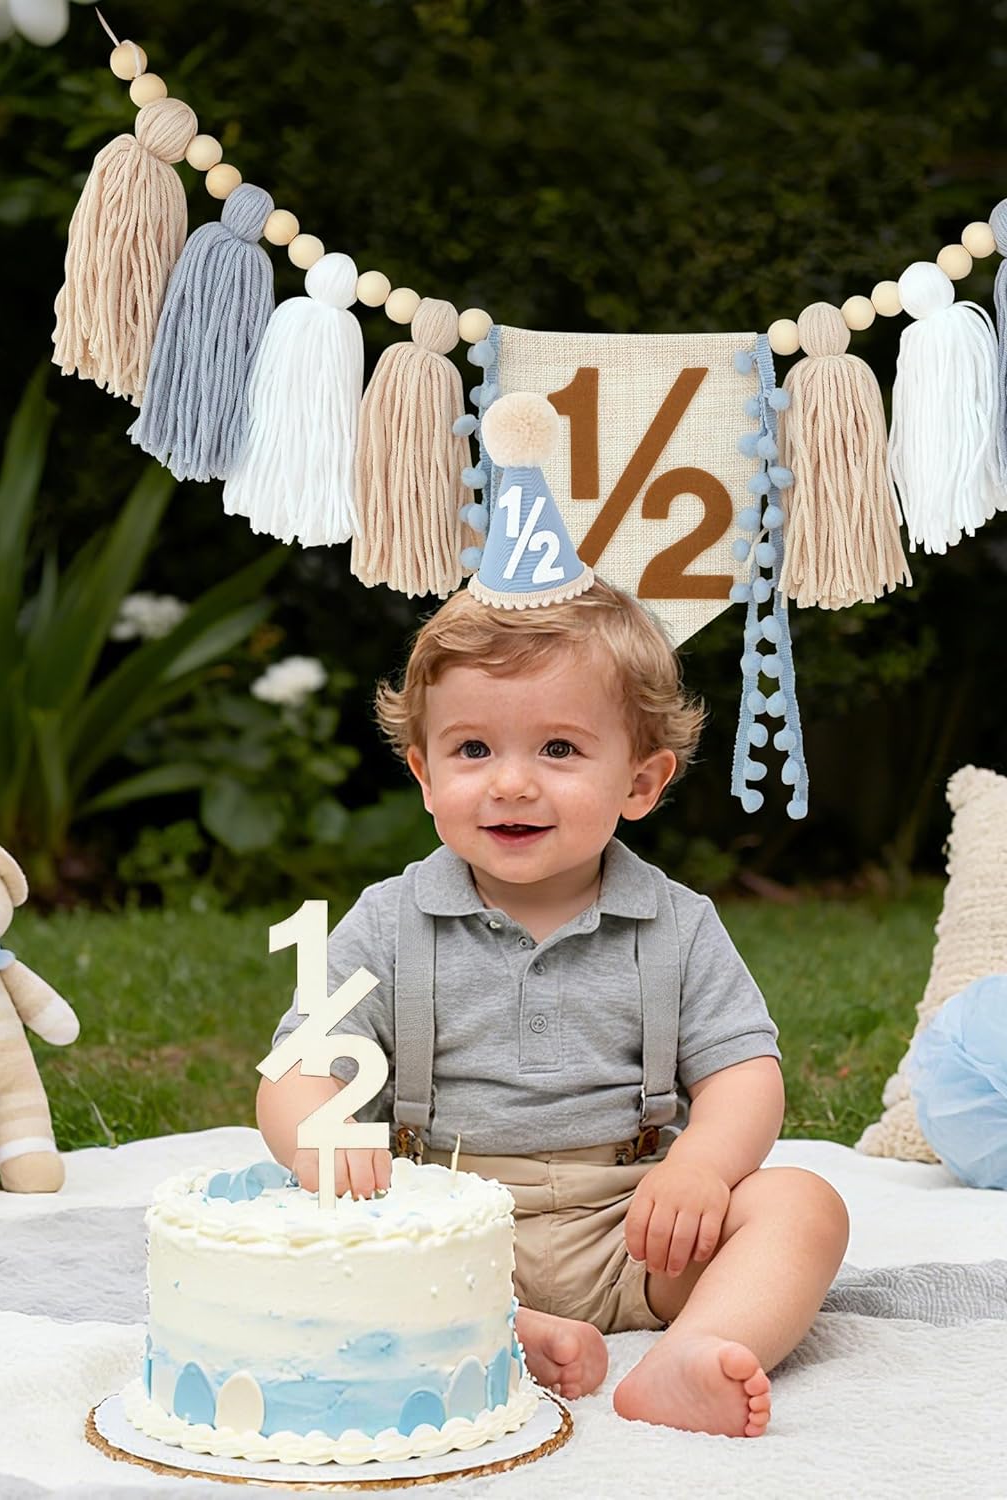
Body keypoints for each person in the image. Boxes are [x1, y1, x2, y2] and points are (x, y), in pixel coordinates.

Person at [257, 393, 848, 1439]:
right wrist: (326, 1140)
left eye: (560, 750)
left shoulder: (676, 925)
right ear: (424, 774)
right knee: (303, 1243)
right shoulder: (389, 921)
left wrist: (699, 1169)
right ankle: (496, 1327)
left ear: (642, 781)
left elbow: (745, 1076)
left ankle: (700, 1348)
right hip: (442, 1221)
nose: (512, 783)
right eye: (473, 750)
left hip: (637, 1223)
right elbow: (299, 1065)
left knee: (802, 1205)